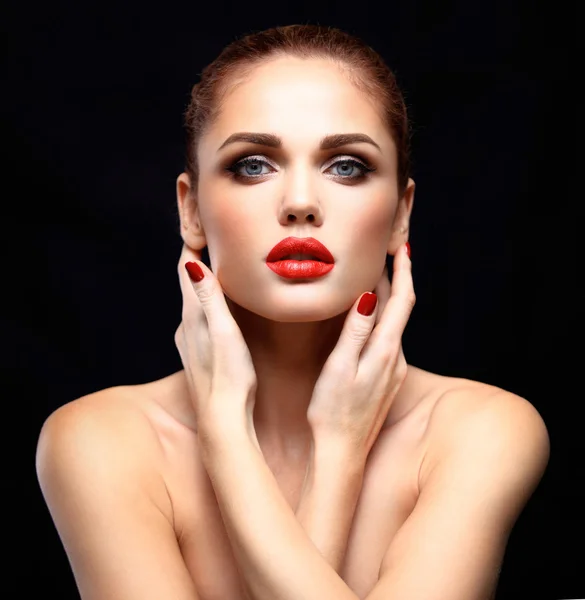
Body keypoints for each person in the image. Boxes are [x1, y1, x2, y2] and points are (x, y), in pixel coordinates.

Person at [36, 24, 550, 600]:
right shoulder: (101, 441)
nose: (301, 203)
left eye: (347, 165)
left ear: (402, 214)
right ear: (192, 211)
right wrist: (225, 428)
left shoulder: (479, 432)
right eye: (254, 165)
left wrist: (335, 448)